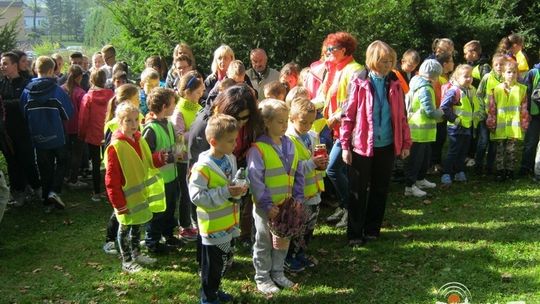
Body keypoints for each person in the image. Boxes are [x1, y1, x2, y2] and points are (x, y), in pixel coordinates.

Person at [341, 40, 411, 247]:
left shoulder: (395, 82)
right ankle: (355, 233)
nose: (388, 64)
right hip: (362, 145)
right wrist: (345, 145)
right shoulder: (359, 82)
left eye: (391, 60)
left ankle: (373, 230)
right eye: (383, 60)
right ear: (372, 60)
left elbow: (402, 117)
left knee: (381, 188)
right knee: (357, 190)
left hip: (387, 145)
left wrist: (406, 142)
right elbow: (348, 115)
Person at [188, 84, 262, 250]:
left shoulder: (251, 125)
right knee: (208, 235)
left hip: (231, 187)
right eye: (238, 118)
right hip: (208, 192)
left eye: (246, 118)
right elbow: (193, 170)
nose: (242, 123)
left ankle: (228, 247)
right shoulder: (204, 126)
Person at [247, 98, 304, 294]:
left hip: (287, 205)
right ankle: (262, 277)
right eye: (280, 121)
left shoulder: (289, 144)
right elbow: (255, 180)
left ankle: (278, 272)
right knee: (263, 241)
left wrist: (297, 199)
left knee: (283, 239)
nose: (285, 125)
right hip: (266, 207)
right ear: (266, 122)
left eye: (286, 120)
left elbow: (297, 173)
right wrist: (266, 204)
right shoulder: (258, 149)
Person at [189, 113, 245, 304]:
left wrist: (238, 189)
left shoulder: (229, 158)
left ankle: (214, 290)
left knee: (221, 262)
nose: (235, 144)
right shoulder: (202, 167)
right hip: (212, 226)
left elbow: (230, 185)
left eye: (235, 140)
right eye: (230, 141)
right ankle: (207, 297)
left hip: (228, 222)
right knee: (211, 265)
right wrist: (226, 192)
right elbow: (196, 196)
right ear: (213, 141)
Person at [104, 102, 165, 273]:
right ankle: (127, 260)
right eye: (128, 121)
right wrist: (118, 203)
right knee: (124, 228)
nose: (133, 124)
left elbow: (147, 160)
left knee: (137, 225)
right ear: (119, 122)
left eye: (135, 120)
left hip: (139, 195)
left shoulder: (139, 138)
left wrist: (160, 158)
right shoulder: (116, 147)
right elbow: (111, 178)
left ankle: (136, 252)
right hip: (125, 197)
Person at [315, 32, 363, 229]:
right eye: (327, 49)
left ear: (343, 50)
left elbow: (354, 101)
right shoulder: (334, 69)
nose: (327, 52)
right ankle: (346, 207)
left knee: (333, 169)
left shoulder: (356, 70)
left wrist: (337, 115)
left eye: (331, 49)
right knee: (338, 169)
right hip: (335, 129)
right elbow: (324, 97)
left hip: (348, 129)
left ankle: (351, 208)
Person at [20, 56, 74, 212]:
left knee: (44, 168)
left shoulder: (26, 91)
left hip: (37, 136)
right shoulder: (57, 91)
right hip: (57, 135)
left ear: (36, 69)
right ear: (52, 70)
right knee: (63, 161)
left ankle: (47, 203)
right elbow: (67, 112)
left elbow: (23, 112)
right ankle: (54, 191)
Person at [284, 98, 327, 272]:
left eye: (311, 122)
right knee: (297, 227)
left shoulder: (312, 136)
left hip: (314, 189)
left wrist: (323, 164)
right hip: (299, 193)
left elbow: (317, 160)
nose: (308, 126)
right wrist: (312, 163)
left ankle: (301, 253)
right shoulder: (288, 140)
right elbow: (291, 168)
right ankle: (289, 258)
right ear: (292, 117)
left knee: (309, 227)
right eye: (303, 122)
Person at [102, 84, 144, 255]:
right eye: (137, 98)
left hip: (134, 185)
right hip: (122, 184)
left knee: (132, 218)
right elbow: (111, 159)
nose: (139, 101)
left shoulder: (136, 130)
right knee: (120, 215)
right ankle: (112, 242)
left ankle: (134, 250)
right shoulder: (114, 132)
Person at [142, 87, 183, 252]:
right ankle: (152, 242)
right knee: (158, 212)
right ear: (165, 106)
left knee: (171, 208)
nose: (175, 106)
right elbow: (146, 156)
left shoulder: (168, 123)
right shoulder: (151, 129)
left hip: (171, 177)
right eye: (173, 103)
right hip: (158, 181)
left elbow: (176, 144)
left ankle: (168, 235)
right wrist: (167, 157)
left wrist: (180, 149)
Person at [0, 52, 41, 206]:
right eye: (1, 63)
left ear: (15, 65)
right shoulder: (1, 83)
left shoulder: (25, 83)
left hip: (23, 131)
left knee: (28, 160)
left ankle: (37, 188)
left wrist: (6, 103)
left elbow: (26, 102)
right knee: (12, 162)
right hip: (6, 132)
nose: (2, 66)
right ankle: (18, 193)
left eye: (5, 63)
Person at [171, 71, 204, 242]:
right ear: (187, 92)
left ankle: (194, 222)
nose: (200, 96)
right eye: (198, 93)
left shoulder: (198, 107)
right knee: (185, 192)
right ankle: (184, 225)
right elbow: (178, 136)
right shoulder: (180, 110)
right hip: (183, 157)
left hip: (196, 155)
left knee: (195, 190)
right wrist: (196, 131)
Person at [404, 59, 444, 197]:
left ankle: (420, 180)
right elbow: (430, 111)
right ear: (434, 75)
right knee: (415, 159)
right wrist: (442, 112)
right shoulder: (425, 88)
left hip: (424, 131)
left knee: (424, 158)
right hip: (418, 130)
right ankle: (410, 186)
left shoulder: (420, 84)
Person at [487, 60, 529, 181]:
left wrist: (524, 123)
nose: (511, 74)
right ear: (503, 74)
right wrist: (491, 122)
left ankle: (509, 171)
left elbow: (524, 108)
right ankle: (500, 171)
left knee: (511, 150)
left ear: (518, 74)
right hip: (499, 126)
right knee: (499, 150)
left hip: (514, 127)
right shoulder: (496, 90)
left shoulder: (522, 89)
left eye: (514, 72)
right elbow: (492, 108)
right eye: (509, 72)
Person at [440, 65, 482, 185]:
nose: (469, 79)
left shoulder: (472, 89)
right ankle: (446, 173)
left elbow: (475, 106)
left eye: (471, 76)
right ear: (457, 78)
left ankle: (459, 172)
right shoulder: (454, 91)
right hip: (456, 127)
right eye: (465, 76)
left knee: (463, 151)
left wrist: (477, 117)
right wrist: (456, 120)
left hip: (468, 126)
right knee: (454, 150)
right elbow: (444, 107)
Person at [78, 68, 115, 201]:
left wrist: (81, 134)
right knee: (110, 163)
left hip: (93, 134)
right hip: (108, 133)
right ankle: (111, 190)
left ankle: (96, 192)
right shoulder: (111, 94)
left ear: (91, 80)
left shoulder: (88, 97)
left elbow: (83, 118)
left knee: (95, 163)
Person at [476, 54, 506, 175]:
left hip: (500, 117)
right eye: (496, 64)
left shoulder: (507, 78)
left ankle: (489, 166)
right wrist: (482, 111)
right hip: (486, 115)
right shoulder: (487, 77)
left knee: (494, 143)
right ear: (492, 65)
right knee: (483, 142)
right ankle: (478, 165)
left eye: (502, 64)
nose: (499, 67)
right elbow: (479, 94)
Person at [61, 64, 88, 190]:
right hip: (77, 127)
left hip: (64, 126)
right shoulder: (81, 92)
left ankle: (65, 176)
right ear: (79, 77)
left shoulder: (61, 89)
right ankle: (73, 179)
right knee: (77, 154)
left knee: (65, 153)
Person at [430, 52, 455, 173]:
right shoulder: (438, 78)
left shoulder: (444, 77)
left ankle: (437, 163)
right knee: (437, 141)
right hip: (438, 116)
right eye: (452, 61)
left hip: (442, 115)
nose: (453, 64)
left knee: (440, 140)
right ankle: (434, 165)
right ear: (445, 64)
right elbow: (438, 97)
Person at [520, 57, 540, 176]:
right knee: (531, 142)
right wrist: (526, 112)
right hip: (534, 114)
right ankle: (525, 168)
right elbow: (526, 94)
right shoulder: (533, 72)